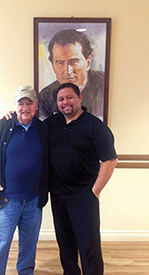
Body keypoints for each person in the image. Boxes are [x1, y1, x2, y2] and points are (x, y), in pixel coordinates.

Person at [45, 82, 118, 275]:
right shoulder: (53, 123)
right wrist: (10, 117)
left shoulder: (95, 127)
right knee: (65, 242)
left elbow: (110, 160)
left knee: (89, 245)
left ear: (80, 98)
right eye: (61, 99)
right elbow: (28, 126)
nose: (65, 102)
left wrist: (95, 192)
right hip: (58, 195)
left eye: (69, 97)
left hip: (83, 197)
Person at [0, 86, 49, 275]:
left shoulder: (43, 129)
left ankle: (25, 272)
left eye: (29, 103)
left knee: (29, 245)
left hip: (34, 201)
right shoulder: (1, 127)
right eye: (21, 103)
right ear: (15, 106)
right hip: (6, 200)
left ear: (36, 106)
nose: (25, 107)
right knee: (0, 244)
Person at [39, 29, 105, 121]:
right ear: (53, 66)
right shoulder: (45, 97)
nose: (68, 71)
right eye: (60, 63)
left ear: (88, 62)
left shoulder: (105, 86)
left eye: (74, 62)